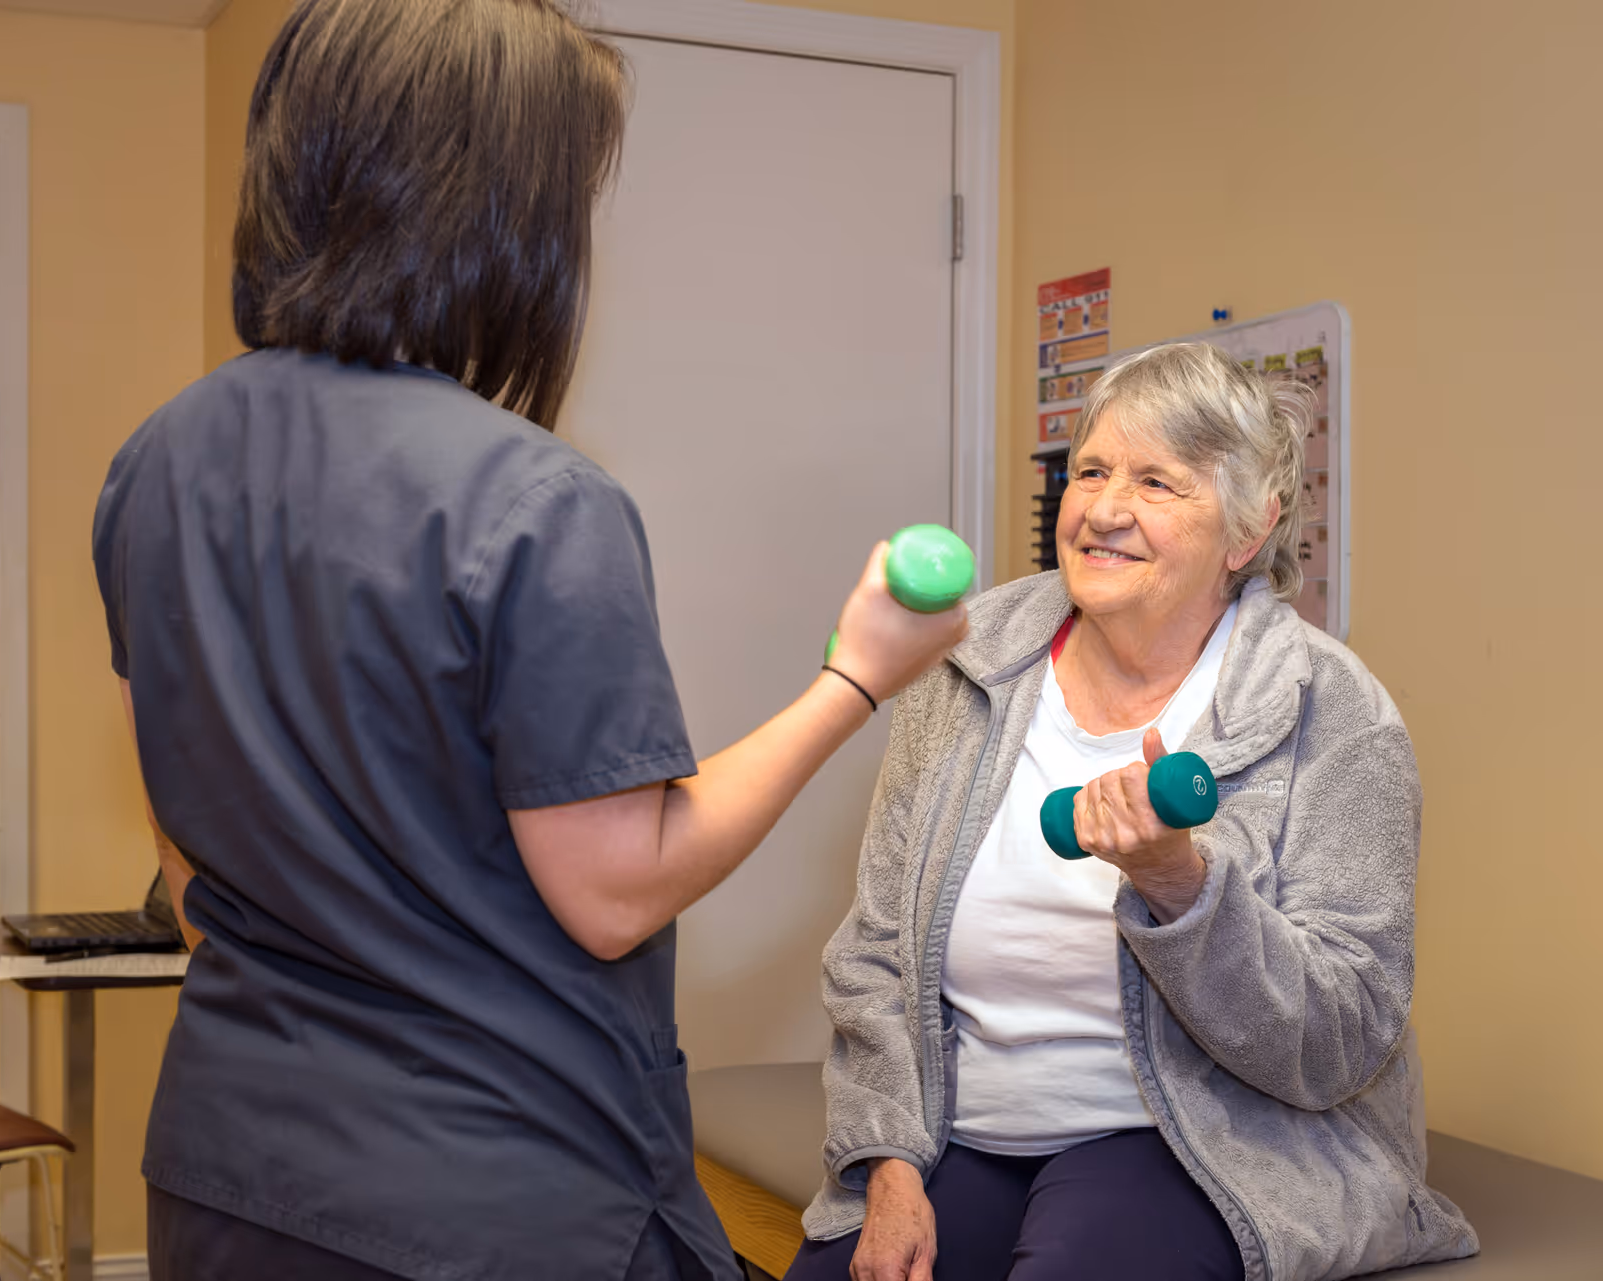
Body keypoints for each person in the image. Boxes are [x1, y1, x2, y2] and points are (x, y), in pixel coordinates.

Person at [92, 3, 964, 1278]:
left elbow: (187, 858)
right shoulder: (538, 502)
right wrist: (856, 675)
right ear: (492, 210)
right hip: (494, 1201)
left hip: (232, 1177)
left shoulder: (156, 462)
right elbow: (615, 890)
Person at [787, 344, 1478, 1281]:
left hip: (1208, 1142)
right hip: (961, 1125)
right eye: (1093, 472)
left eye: (1158, 482)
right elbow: (874, 949)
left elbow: (1345, 1035)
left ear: (1247, 531)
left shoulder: (1335, 712)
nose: (1105, 509)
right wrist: (890, 1162)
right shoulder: (965, 663)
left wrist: (1181, 888)